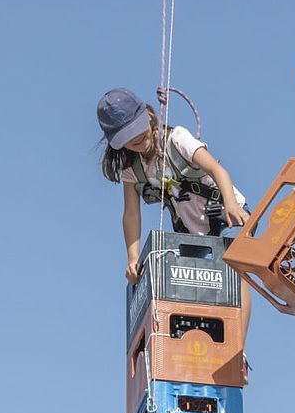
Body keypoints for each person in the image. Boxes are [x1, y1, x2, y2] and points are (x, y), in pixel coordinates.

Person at [97, 87, 253, 343]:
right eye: (128, 136)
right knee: (192, 286)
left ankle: (238, 349)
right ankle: (201, 344)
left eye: (138, 128)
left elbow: (217, 170)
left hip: (226, 213)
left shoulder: (177, 138)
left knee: (237, 271)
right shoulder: (132, 170)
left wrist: (230, 204)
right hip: (191, 230)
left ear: (148, 115)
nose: (137, 138)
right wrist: (133, 258)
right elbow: (131, 214)